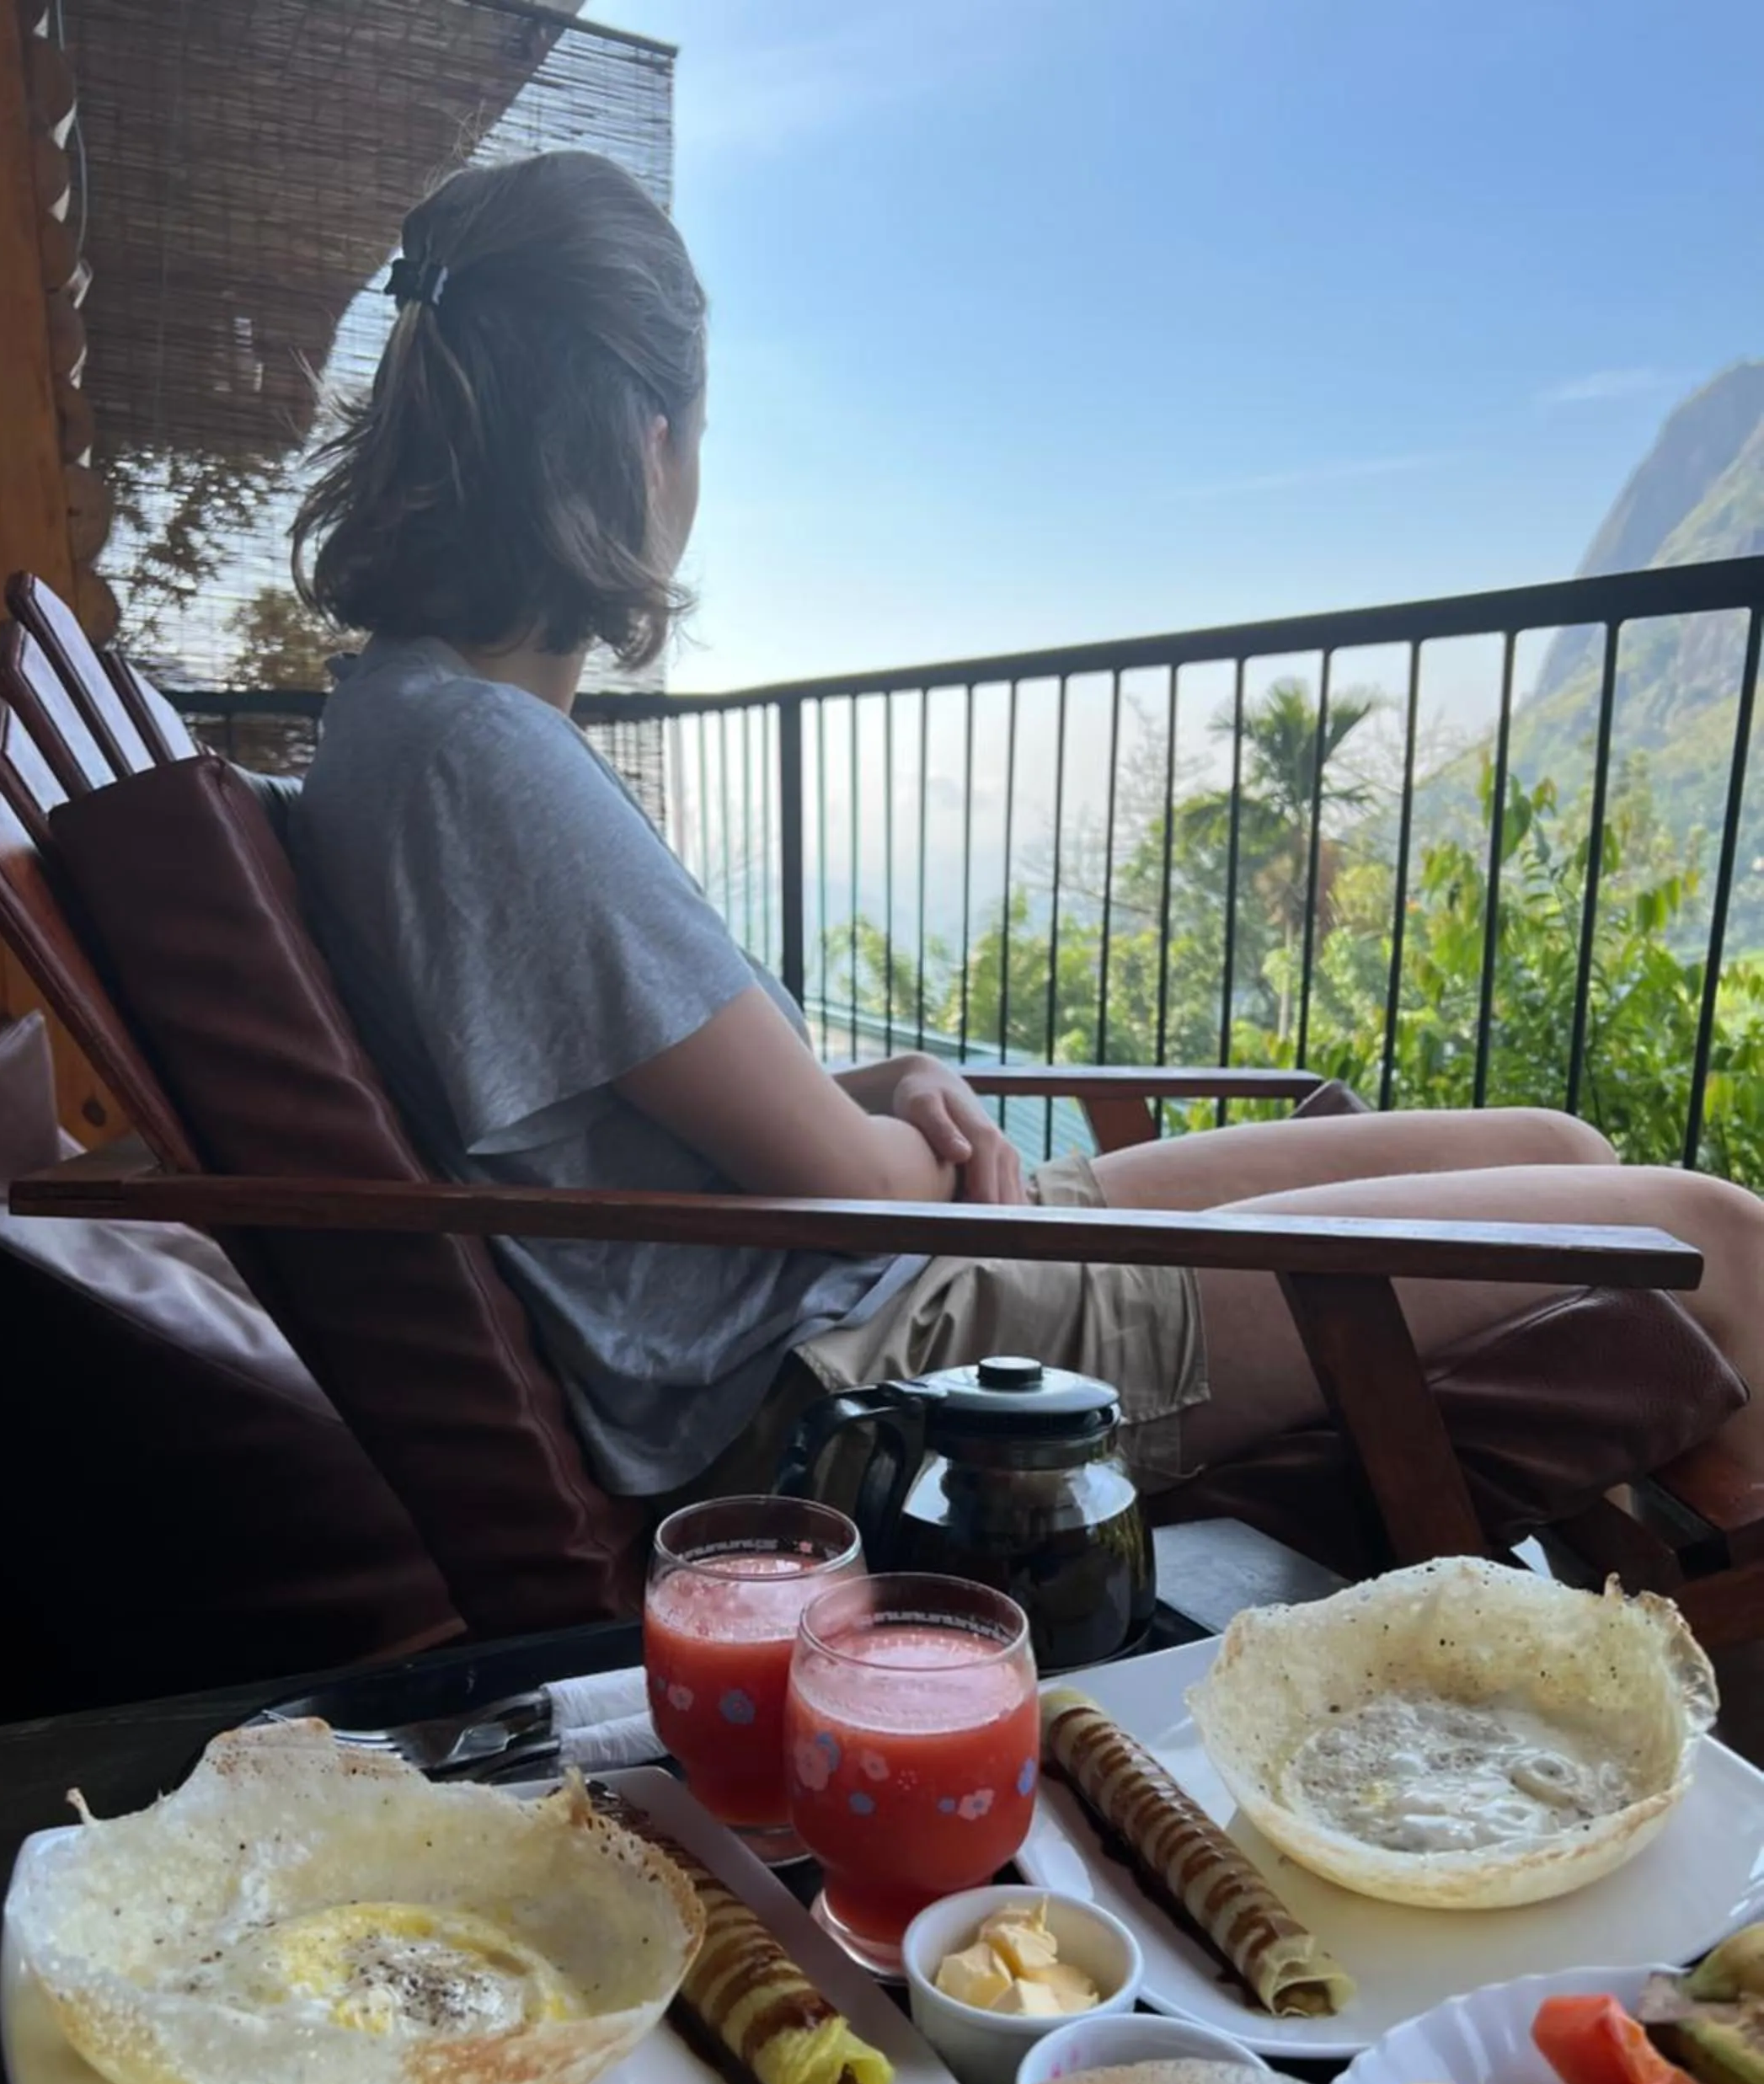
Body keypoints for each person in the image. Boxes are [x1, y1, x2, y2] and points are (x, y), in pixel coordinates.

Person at [288, 149, 1764, 1514]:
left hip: (870, 1272)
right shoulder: (486, 761)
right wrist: (900, 1147)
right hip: (866, 1358)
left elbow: (596, 1100)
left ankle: (1643, 1653)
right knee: (1715, 1240)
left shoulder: (409, 724)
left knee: (1553, 1140)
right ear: (650, 439)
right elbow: (853, 1186)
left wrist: (886, 1079)